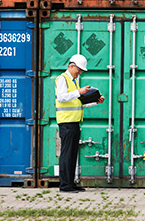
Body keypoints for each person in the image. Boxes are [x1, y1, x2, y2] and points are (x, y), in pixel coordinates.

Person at [55, 54, 104, 192]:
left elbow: (78, 103)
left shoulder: (74, 81)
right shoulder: (62, 79)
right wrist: (79, 91)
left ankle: (70, 183)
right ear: (71, 66)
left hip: (74, 123)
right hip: (66, 123)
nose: (80, 73)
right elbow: (61, 97)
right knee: (66, 155)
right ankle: (65, 186)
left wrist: (95, 102)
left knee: (72, 155)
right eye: (79, 70)